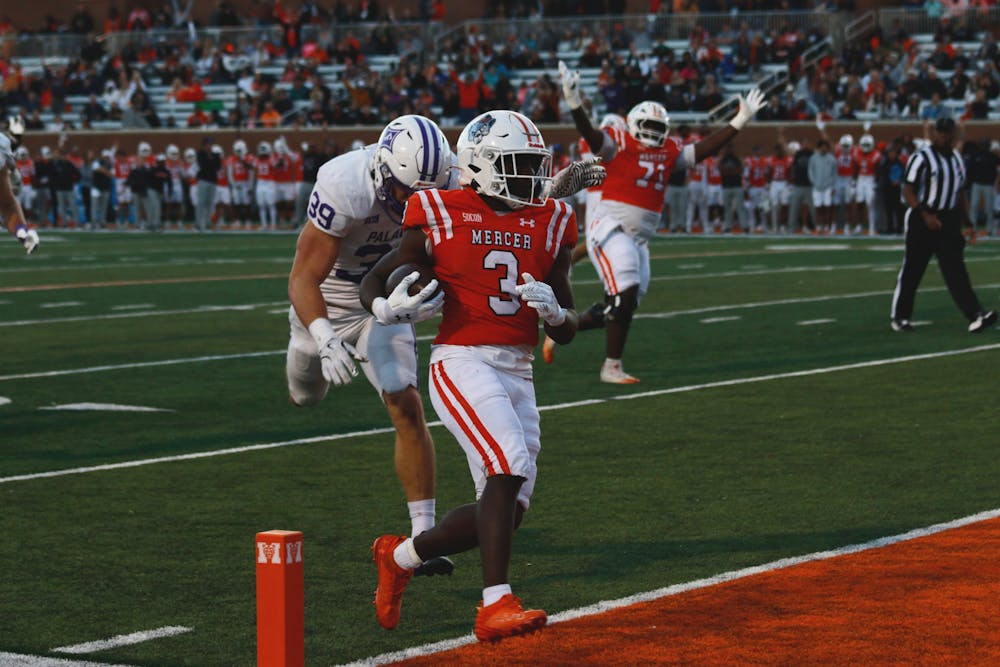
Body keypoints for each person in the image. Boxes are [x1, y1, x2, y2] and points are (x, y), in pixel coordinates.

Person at [360, 109, 598, 642]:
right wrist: (383, 308)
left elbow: (568, 329)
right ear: (481, 165)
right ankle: (495, 604)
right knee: (506, 463)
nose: (533, 177)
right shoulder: (440, 208)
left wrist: (557, 315)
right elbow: (378, 277)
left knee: (507, 513)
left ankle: (398, 558)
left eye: (536, 166)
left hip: (518, 369)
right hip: (462, 359)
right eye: (519, 165)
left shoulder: (552, 217)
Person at [285, 115, 456, 571]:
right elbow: (303, 277)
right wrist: (321, 337)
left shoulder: (448, 177)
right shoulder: (345, 182)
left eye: (426, 193)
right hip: (330, 300)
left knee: (405, 399)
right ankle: (305, 349)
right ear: (382, 170)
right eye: (405, 191)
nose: (414, 202)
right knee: (305, 394)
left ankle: (423, 538)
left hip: (387, 299)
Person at [548, 60, 766, 383]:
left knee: (622, 304)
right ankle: (611, 367)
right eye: (646, 125)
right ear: (633, 124)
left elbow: (703, 149)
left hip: (639, 238)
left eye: (656, 126)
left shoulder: (668, 152)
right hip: (610, 227)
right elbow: (590, 133)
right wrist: (573, 99)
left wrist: (740, 120)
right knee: (625, 289)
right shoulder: (618, 144)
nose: (652, 132)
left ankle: (565, 325)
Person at [891, 117, 996, 333]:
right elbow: (907, 189)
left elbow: (960, 194)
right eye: (941, 132)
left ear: (954, 134)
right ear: (935, 133)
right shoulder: (921, 157)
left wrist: (968, 223)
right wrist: (924, 214)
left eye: (948, 132)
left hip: (948, 219)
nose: (944, 136)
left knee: (956, 269)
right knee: (913, 268)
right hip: (923, 216)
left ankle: (975, 314)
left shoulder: (957, 159)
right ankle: (900, 317)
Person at [2, 117, 40, 253]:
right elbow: (11, 165)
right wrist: (14, 174)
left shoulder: (6, 140)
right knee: (8, 209)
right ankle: (23, 232)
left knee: (8, 210)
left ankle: (23, 232)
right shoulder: (3, 141)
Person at [808, 139, 837, 234]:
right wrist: (814, 182)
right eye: (822, 147)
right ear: (819, 148)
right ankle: (818, 227)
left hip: (827, 187)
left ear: (828, 148)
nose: (823, 149)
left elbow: (834, 174)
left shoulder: (832, 159)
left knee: (828, 207)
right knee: (818, 208)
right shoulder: (813, 158)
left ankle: (827, 228)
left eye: (825, 147)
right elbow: (810, 171)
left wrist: (833, 187)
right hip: (817, 187)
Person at [195, 137, 221, 232]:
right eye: (208, 144)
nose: (210, 146)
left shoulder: (215, 155)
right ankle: (198, 223)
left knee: (210, 203)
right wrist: (210, 161)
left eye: (211, 144)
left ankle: (208, 223)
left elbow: (217, 165)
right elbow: (203, 164)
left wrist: (210, 161)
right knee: (201, 202)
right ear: (204, 145)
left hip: (212, 181)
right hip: (203, 180)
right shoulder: (200, 154)